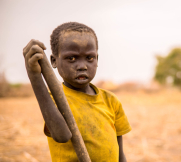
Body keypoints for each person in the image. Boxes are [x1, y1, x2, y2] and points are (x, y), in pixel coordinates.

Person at [23, 22, 132, 162]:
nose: (82, 66)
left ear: (97, 59)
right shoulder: (54, 99)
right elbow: (61, 135)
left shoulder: (111, 100)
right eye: (72, 58)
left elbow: (119, 153)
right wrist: (35, 77)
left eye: (89, 58)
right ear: (54, 61)